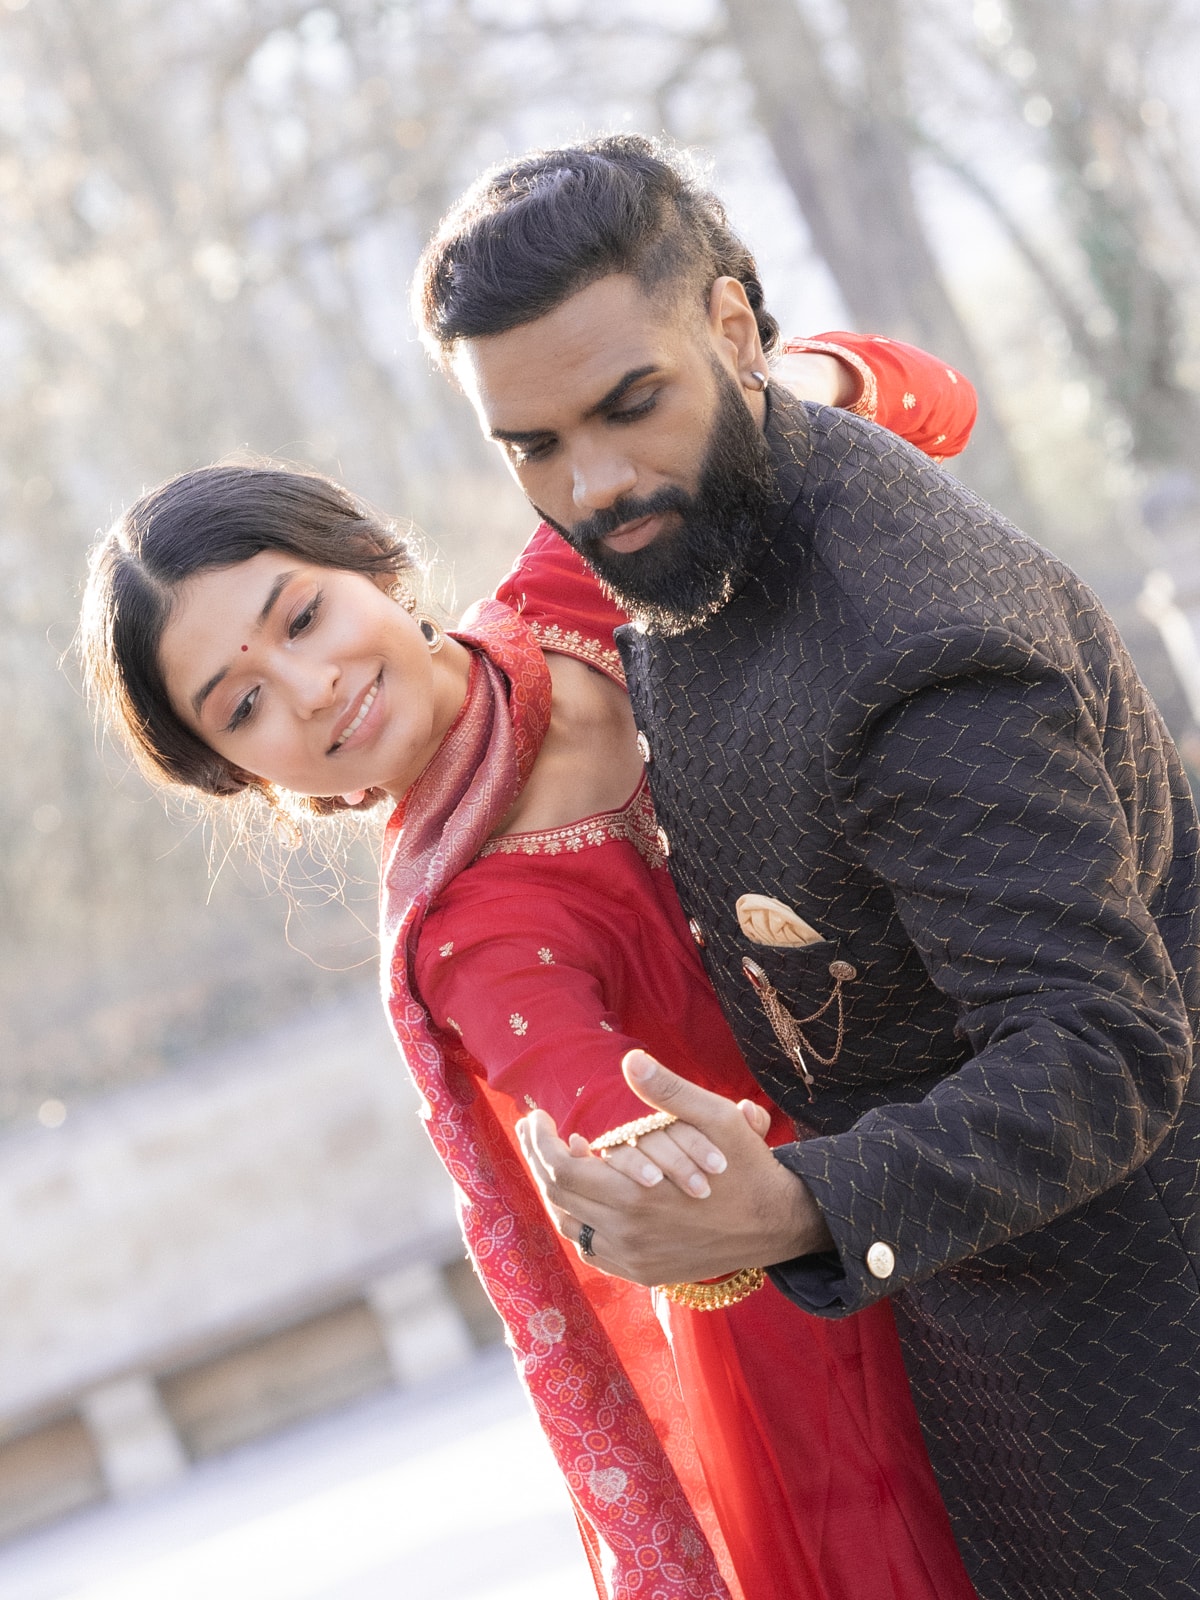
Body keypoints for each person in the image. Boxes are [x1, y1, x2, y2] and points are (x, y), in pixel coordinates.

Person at [414, 134, 1200, 1600]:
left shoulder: (921, 653)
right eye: (531, 445)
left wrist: (788, 1207)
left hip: (1145, 1380)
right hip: (978, 1358)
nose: (591, 481)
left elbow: (1107, 1052)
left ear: (728, 324)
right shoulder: (684, 528)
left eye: (626, 405)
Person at [80, 336, 980, 1599]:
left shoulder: (583, 579)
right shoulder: (475, 936)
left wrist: (766, 388)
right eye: (241, 707)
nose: (313, 684)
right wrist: (649, 1165)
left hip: (1015, 1096)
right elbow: (674, 1175)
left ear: (372, 563)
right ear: (245, 778)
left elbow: (931, 399)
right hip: (843, 1338)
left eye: (301, 614)